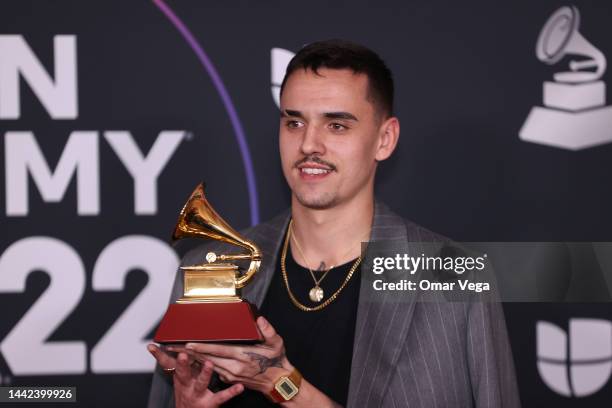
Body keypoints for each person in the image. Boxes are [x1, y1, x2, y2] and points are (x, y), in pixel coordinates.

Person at [147, 39, 520, 408]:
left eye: (337, 126)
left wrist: (283, 384)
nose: (309, 144)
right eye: (294, 122)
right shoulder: (208, 268)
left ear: (384, 139)